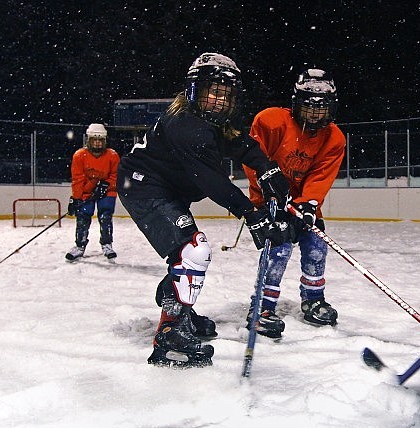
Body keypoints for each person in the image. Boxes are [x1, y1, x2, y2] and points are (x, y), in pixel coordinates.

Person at [117, 52, 290, 367]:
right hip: (144, 188)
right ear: (194, 90)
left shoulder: (216, 121)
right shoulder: (187, 126)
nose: (219, 100)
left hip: (168, 190)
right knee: (194, 251)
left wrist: (266, 169)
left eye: (226, 94)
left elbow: (241, 143)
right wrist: (250, 213)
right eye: (213, 90)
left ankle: (179, 311)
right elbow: (211, 180)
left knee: (185, 252)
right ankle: (169, 335)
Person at [242, 68, 346, 340]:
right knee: (279, 246)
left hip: (302, 203)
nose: (314, 114)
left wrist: (308, 203)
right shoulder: (270, 121)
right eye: (308, 107)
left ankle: (313, 299)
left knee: (316, 243)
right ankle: (262, 307)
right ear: (295, 103)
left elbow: (321, 175)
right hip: (269, 200)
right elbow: (253, 158)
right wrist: (269, 191)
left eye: (321, 109)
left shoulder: (334, 138)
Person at [65, 123, 120, 261]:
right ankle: (79, 246)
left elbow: (116, 175)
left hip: (107, 190)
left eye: (100, 140)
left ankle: (107, 244)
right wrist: (76, 198)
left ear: (105, 141)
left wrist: (106, 185)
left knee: (105, 216)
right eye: (94, 140)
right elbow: (77, 179)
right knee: (83, 216)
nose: (97, 143)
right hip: (86, 191)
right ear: (88, 140)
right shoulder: (79, 156)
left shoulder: (112, 156)